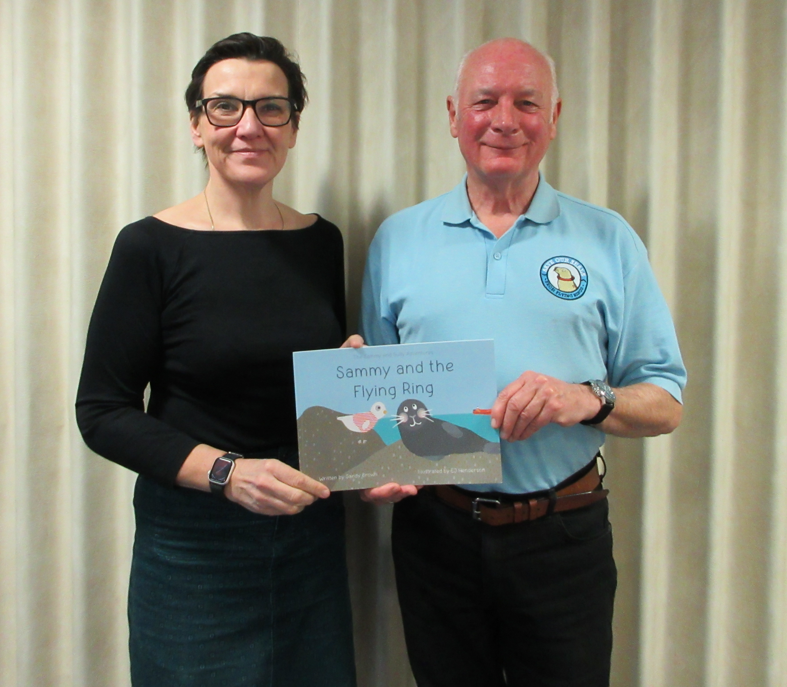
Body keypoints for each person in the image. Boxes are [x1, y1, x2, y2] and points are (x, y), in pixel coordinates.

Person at [359, 38, 686, 687]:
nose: (503, 120)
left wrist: (587, 398)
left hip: (561, 536)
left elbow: (665, 401)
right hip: (435, 536)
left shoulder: (607, 238)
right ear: (453, 115)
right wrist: (372, 449)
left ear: (554, 116)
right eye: (484, 102)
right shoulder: (398, 238)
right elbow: (378, 401)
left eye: (525, 103)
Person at [76, 33, 358, 687]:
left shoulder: (321, 241)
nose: (249, 126)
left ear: (292, 127)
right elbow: (102, 411)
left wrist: (348, 376)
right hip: (193, 546)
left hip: (309, 533)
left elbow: (298, 389)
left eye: (271, 108)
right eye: (225, 107)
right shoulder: (149, 246)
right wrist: (227, 473)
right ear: (196, 126)